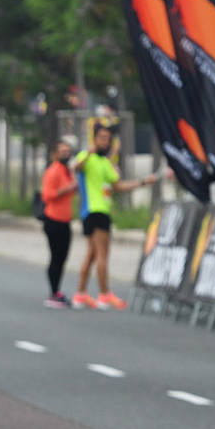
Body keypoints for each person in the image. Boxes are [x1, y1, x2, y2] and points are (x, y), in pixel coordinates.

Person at [72, 123, 159, 310]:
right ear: (94, 139)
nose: (104, 141)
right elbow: (76, 168)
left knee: (93, 254)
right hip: (93, 210)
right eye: (101, 138)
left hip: (103, 210)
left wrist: (143, 182)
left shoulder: (105, 163)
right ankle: (104, 294)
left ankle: (80, 293)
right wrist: (89, 152)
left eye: (107, 138)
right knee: (102, 254)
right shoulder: (87, 157)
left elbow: (118, 186)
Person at [40, 137, 79, 309]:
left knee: (63, 258)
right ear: (56, 154)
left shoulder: (67, 171)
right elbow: (47, 195)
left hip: (65, 220)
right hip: (53, 220)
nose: (65, 154)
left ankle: (57, 291)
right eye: (62, 152)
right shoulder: (54, 171)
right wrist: (67, 188)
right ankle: (53, 292)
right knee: (56, 258)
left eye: (67, 152)